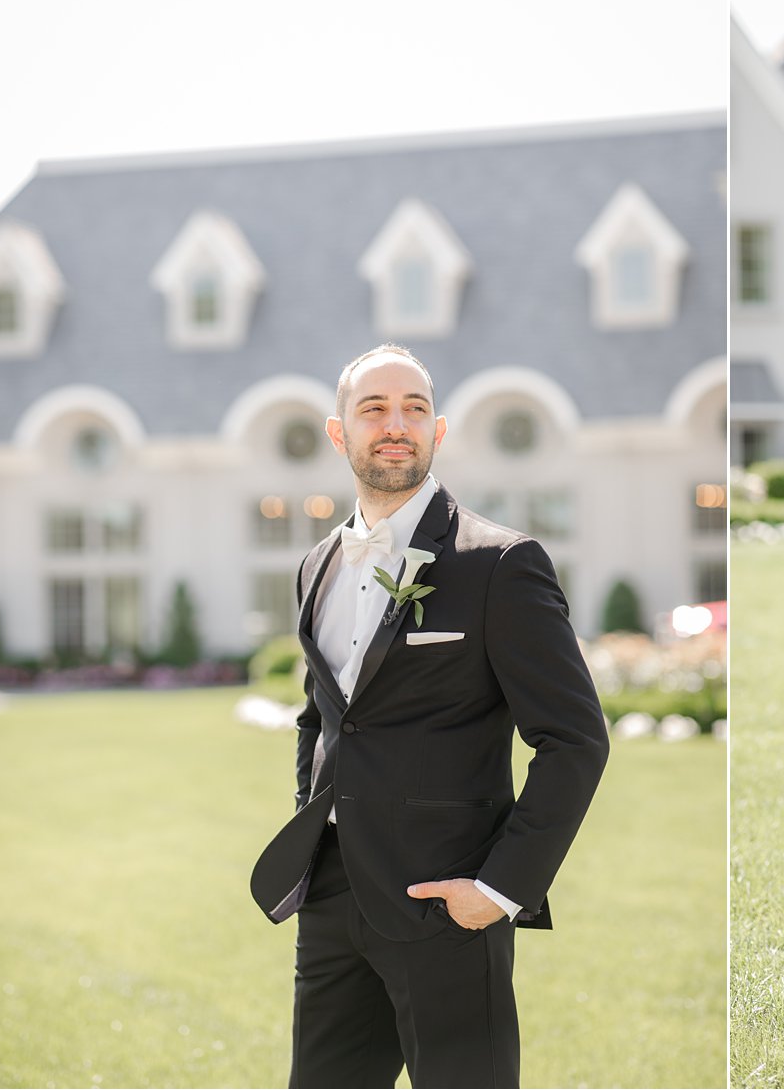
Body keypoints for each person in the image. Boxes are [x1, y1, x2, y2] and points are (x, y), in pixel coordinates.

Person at [249, 344, 610, 1089]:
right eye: (374, 408)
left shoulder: (500, 564)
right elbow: (321, 717)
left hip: (446, 903)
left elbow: (575, 739)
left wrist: (500, 889)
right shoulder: (317, 564)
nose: (396, 424)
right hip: (330, 893)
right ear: (337, 431)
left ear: (438, 431)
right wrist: (309, 827)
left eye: (414, 408)